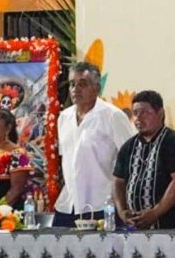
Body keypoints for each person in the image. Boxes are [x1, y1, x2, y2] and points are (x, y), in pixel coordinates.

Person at [55, 62, 136, 227]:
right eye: (72, 84)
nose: (75, 89)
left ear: (97, 88)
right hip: (68, 204)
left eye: (82, 84)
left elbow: (131, 159)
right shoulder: (64, 117)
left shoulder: (112, 116)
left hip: (102, 203)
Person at [112, 90, 175, 230]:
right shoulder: (128, 146)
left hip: (169, 229)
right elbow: (118, 181)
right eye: (135, 113)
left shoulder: (174, 142)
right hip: (134, 228)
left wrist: (155, 213)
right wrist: (122, 211)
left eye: (144, 112)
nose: (138, 118)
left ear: (160, 113)